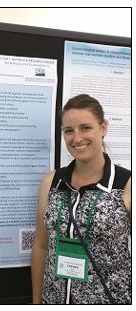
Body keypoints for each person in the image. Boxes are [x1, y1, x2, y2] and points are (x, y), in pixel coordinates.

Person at [31, 94, 131, 304]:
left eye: (85, 128)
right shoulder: (52, 182)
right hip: (54, 301)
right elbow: (41, 245)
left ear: (103, 128)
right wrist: (36, 301)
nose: (76, 138)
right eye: (69, 130)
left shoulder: (126, 185)